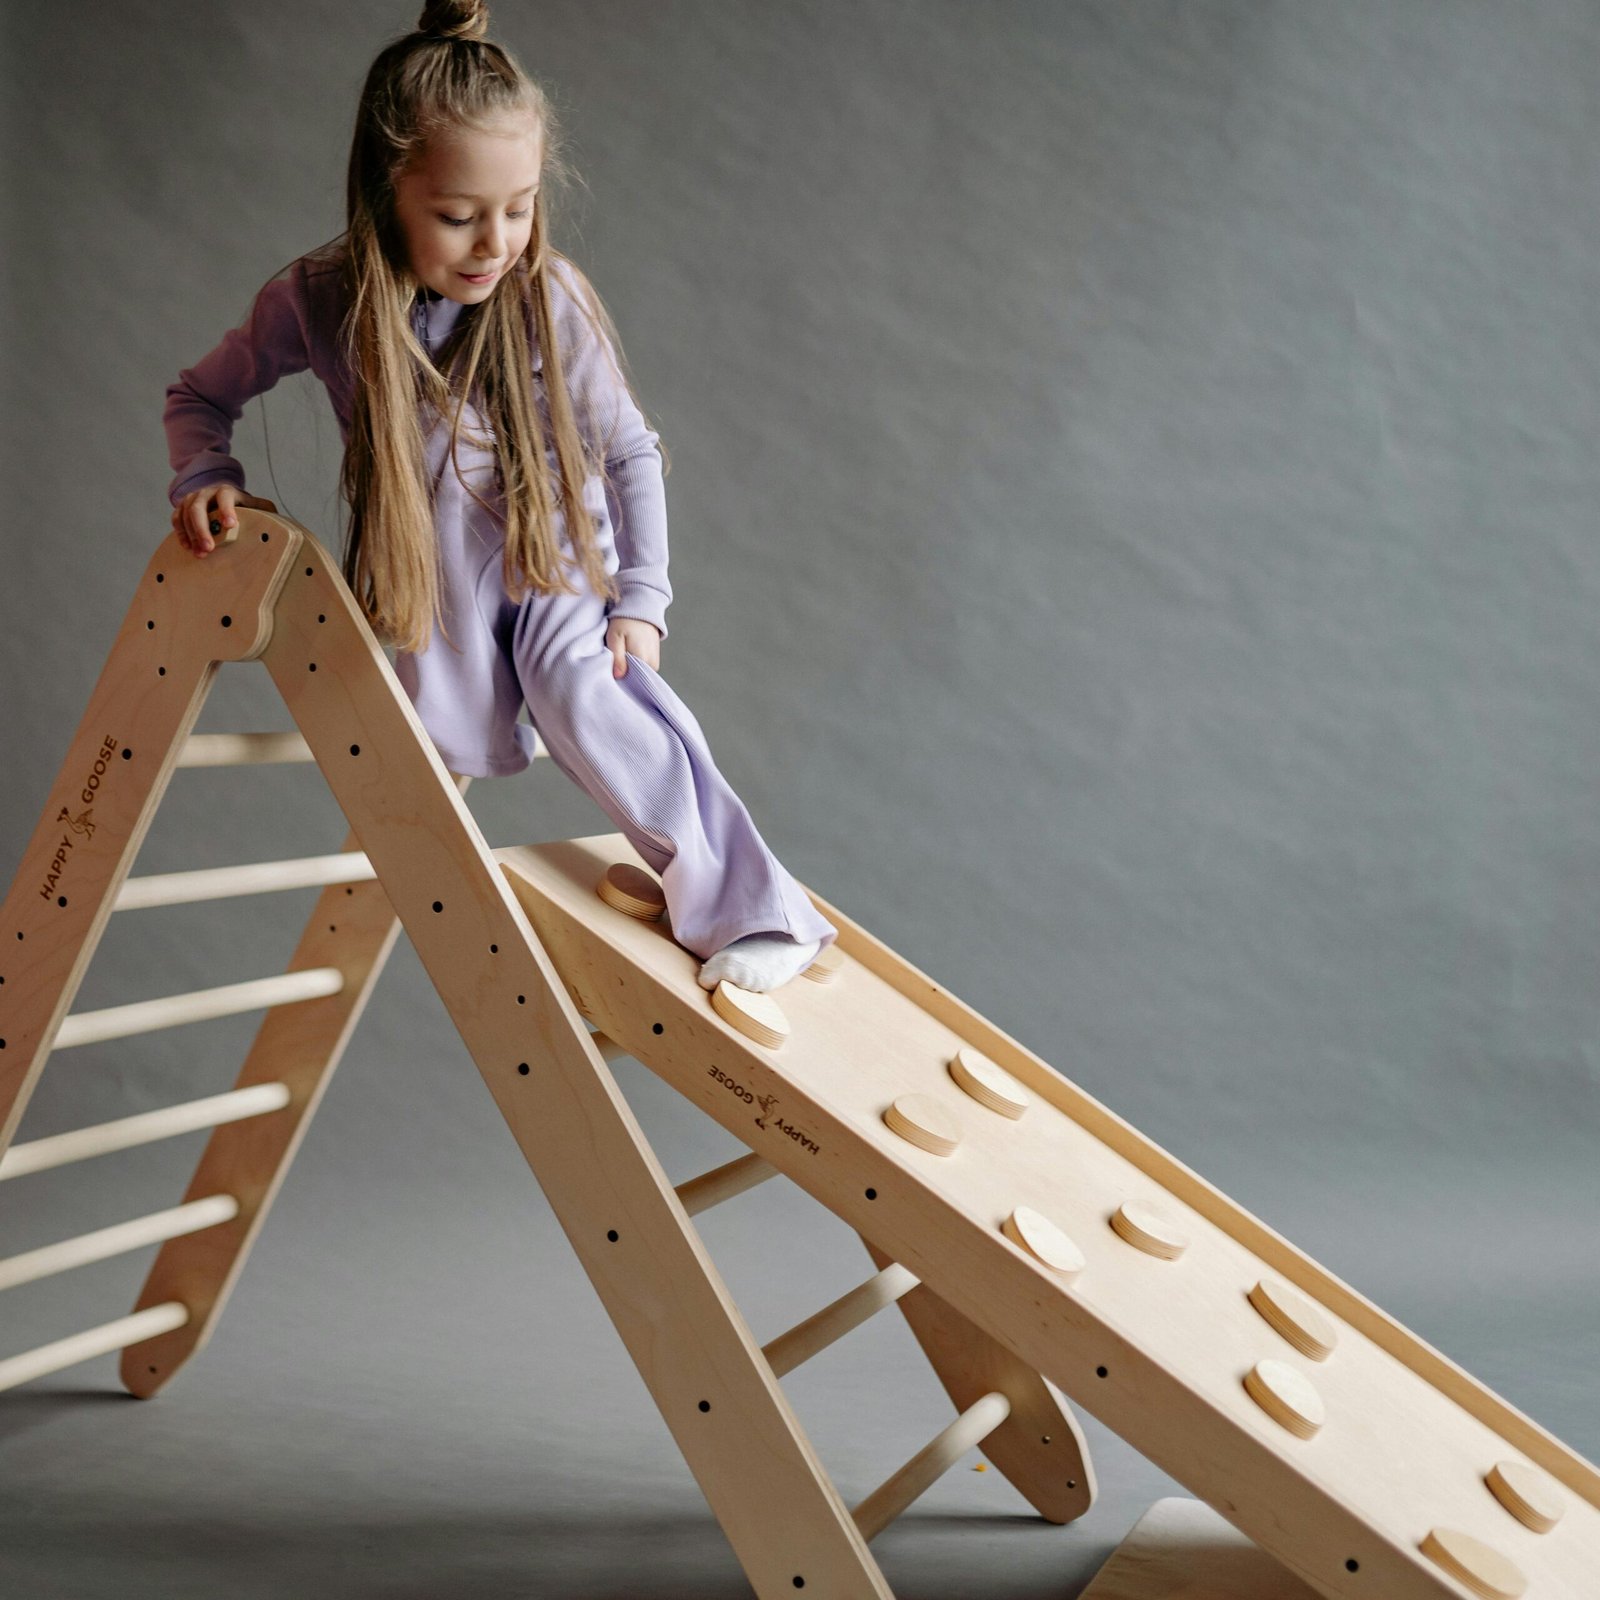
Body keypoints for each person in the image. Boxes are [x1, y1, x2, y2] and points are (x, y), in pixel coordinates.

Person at [163, 0, 837, 994]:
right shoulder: (318, 301)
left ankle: (759, 912)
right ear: (386, 190)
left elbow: (630, 453)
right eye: (457, 214)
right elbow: (198, 396)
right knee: (421, 747)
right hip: (439, 582)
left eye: (518, 207)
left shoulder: (544, 300)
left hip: (553, 553)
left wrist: (642, 601)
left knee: (586, 695)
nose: (495, 241)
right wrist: (206, 473)